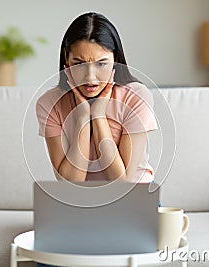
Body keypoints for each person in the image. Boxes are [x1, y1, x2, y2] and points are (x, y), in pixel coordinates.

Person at [36, 12, 157, 183]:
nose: (90, 77)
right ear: (66, 58)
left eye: (101, 63)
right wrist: (83, 117)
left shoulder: (136, 97)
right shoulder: (48, 103)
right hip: (81, 204)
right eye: (79, 64)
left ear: (115, 59)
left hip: (133, 199)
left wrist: (99, 115)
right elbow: (70, 185)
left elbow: (122, 183)